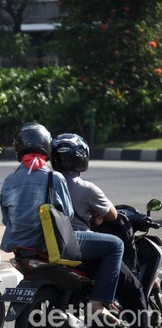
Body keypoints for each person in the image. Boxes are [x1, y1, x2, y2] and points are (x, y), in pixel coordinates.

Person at [0, 123, 124, 325]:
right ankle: (97, 304)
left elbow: (6, 217)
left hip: (19, 248)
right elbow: (67, 214)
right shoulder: (53, 177)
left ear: (17, 148)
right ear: (46, 146)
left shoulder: (9, 179)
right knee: (116, 245)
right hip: (49, 245)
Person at [52, 133, 149, 328]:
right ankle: (100, 302)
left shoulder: (46, 182)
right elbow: (113, 215)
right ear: (81, 158)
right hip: (80, 248)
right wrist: (96, 217)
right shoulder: (87, 188)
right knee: (133, 287)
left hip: (50, 244)